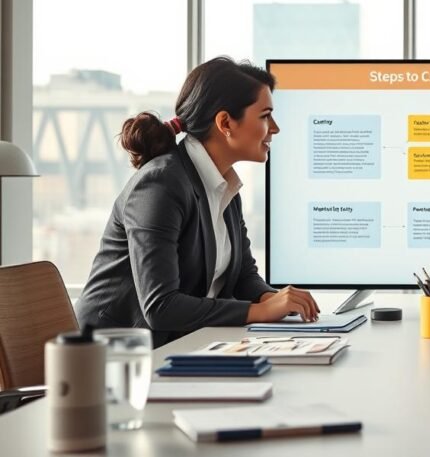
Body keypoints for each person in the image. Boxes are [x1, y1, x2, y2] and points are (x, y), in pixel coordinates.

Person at [76, 57, 320, 347]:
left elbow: (243, 276)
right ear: (225, 122)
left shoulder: (224, 185)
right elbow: (160, 307)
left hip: (180, 346)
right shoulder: (160, 185)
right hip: (113, 362)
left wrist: (274, 298)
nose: (275, 128)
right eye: (265, 115)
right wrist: (261, 311)